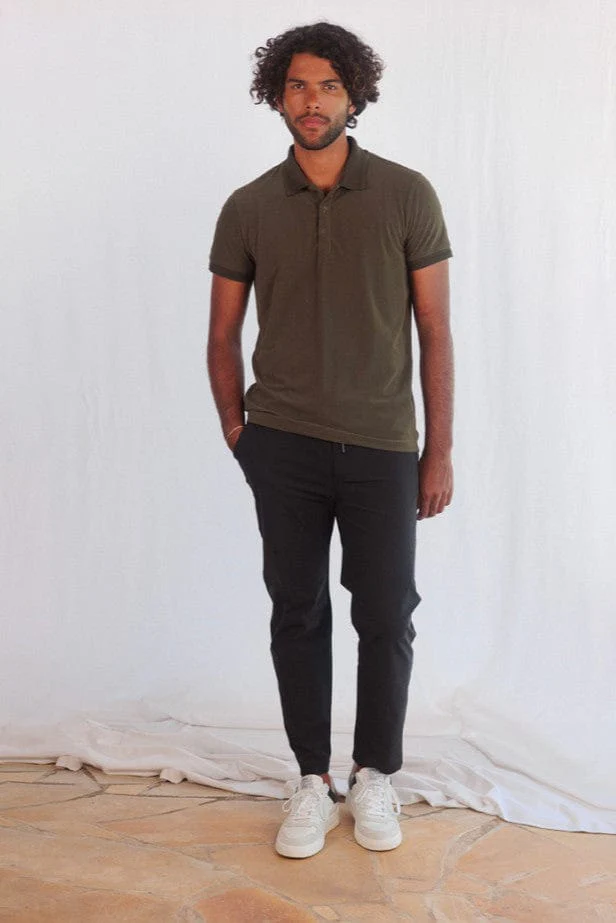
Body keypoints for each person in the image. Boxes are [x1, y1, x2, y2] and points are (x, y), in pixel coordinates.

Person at [207, 21, 453, 859]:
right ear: (277, 96)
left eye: (329, 87)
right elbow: (222, 332)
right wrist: (239, 431)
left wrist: (438, 450)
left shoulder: (406, 194)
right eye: (298, 86)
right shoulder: (248, 206)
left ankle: (375, 772)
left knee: (386, 613)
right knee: (298, 609)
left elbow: (434, 328)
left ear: (355, 96)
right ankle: (312, 780)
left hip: (383, 444)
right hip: (283, 445)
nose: (312, 102)